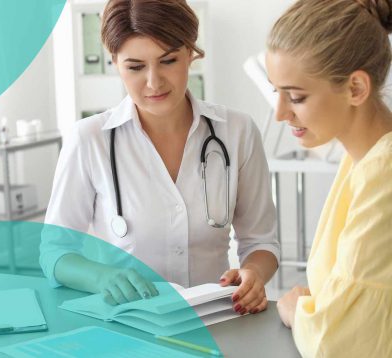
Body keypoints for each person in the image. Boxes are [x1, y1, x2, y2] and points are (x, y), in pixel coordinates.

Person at [40, 0, 279, 312]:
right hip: (127, 326)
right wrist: (101, 277)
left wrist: (253, 274)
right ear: (114, 62)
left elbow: (261, 242)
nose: (153, 82)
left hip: (214, 320)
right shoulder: (89, 140)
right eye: (135, 67)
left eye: (168, 61)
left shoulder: (237, 131)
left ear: (191, 54)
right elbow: (55, 252)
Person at [265, 0, 392, 356]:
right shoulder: (362, 161)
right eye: (277, 92)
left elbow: (338, 342)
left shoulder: (384, 176)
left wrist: (298, 313)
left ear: (355, 88)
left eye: (296, 97)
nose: (280, 114)